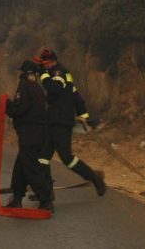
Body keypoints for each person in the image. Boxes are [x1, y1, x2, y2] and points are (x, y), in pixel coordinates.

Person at [36, 47, 107, 196]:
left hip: (61, 123)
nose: (43, 66)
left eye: (44, 63)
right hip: (52, 121)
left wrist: (42, 73)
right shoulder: (61, 75)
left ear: (51, 61)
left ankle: (94, 178)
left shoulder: (58, 72)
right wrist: (84, 117)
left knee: (66, 158)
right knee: (43, 157)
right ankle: (45, 192)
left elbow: (54, 88)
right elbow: (77, 98)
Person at [4, 59, 54, 213]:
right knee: (20, 168)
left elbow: (19, 109)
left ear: (25, 73)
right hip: (40, 134)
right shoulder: (38, 88)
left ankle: (46, 201)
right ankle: (17, 198)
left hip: (30, 135)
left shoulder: (25, 87)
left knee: (32, 168)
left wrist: (6, 104)